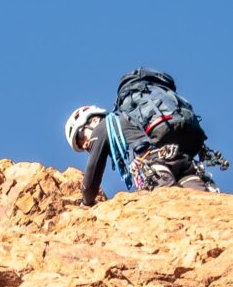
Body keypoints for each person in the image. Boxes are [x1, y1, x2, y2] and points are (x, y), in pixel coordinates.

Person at [66, 70, 224, 204]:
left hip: (154, 166)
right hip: (184, 161)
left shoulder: (103, 127)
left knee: (166, 207)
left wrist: (85, 202)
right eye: (80, 146)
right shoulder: (130, 118)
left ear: (93, 120)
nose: (85, 145)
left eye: (80, 137)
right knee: (202, 205)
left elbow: (91, 180)